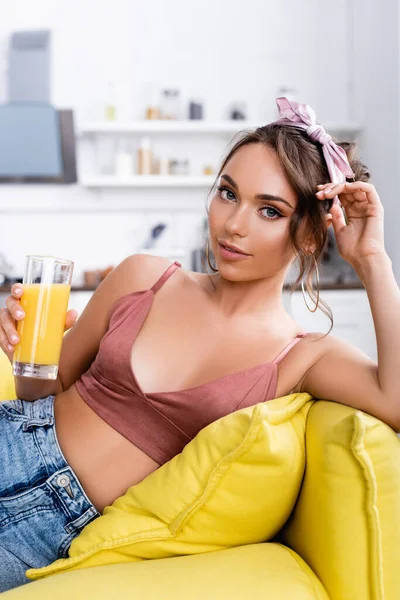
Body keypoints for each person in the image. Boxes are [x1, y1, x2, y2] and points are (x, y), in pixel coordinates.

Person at [0, 97, 399, 591]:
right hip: (12, 436)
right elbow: (45, 389)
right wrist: (23, 347)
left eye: (269, 210)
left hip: (52, 525)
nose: (234, 224)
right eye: (228, 194)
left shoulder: (302, 355)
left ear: (311, 237)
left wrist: (373, 259)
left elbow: (395, 401)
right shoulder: (145, 276)